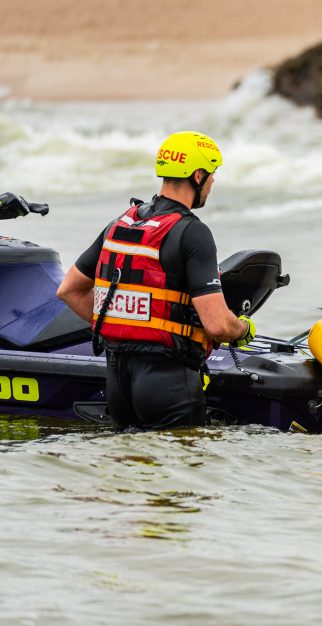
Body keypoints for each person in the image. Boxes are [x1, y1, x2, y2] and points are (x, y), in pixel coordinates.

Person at [57, 131, 256, 430]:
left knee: (127, 468)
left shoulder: (121, 224)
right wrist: (242, 329)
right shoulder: (192, 232)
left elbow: (69, 290)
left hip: (118, 382)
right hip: (169, 382)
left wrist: (127, 329)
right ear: (198, 175)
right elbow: (216, 324)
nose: (213, 183)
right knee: (182, 470)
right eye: (213, 175)